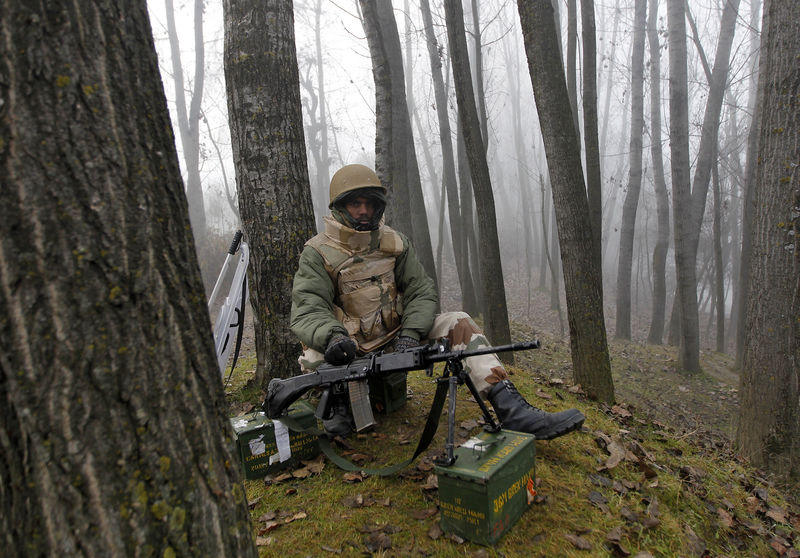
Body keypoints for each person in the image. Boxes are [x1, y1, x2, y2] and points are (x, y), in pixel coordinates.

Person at [290, 164, 585, 439]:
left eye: (370, 203)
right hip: (349, 349)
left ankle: (512, 408)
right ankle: (338, 403)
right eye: (356, 204)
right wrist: (334, 338)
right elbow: (308, 308)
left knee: (459, 321)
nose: (364, 211)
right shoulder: (318, 253)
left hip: (398, 338)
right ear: (341, 207)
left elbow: (421, 290)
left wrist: (410, 333)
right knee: (313, 354)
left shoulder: (396, 242)